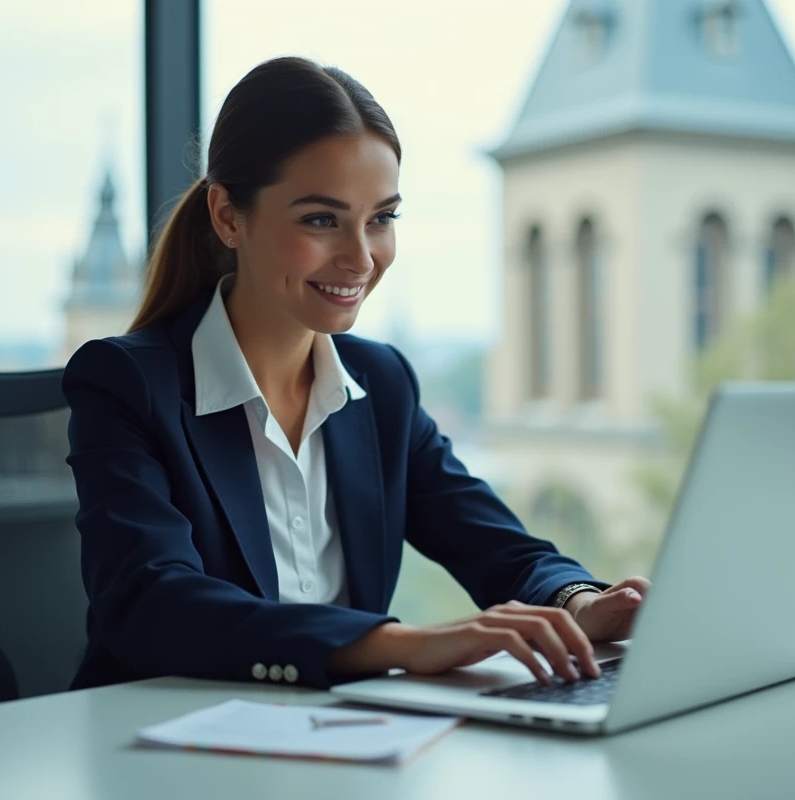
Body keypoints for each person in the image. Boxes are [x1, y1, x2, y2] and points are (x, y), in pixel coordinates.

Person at [63, 56, 650, 692]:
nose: (362, 257)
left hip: (339, 742)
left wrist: (579, 601)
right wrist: (403, 644)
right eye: (322, 219)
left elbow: (491, 540)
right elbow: (153, 604)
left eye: (382, 218)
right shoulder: (125, 383)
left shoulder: (381, 382)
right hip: (158, 743)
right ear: (229, 216)